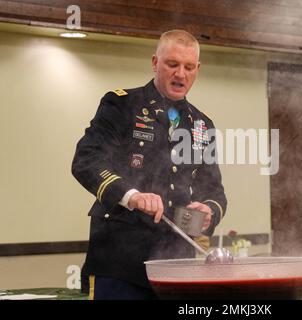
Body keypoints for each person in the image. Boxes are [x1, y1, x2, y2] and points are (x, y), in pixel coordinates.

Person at [72, 29, 227, 300]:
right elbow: (86, 161)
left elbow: (213, 190)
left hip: (177, 265)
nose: (181, 74)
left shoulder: (203, 125)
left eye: (189, 67)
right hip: (120, 262)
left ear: (197, 69)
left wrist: (209, 210)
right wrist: (131, 195)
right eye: (172, 64)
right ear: (155, 63)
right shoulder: (121, 105)